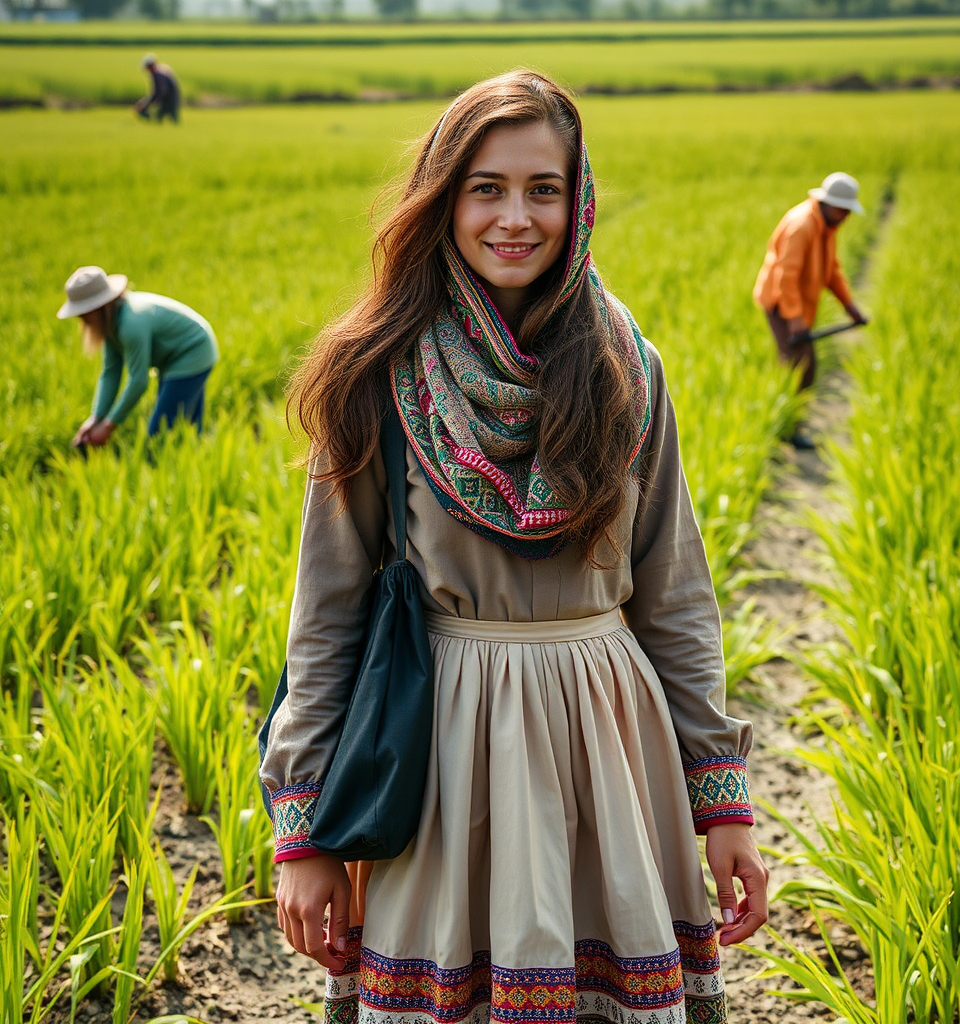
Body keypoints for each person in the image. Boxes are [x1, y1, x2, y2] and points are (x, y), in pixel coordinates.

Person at [263, 72, 768, 1024]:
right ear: (442, 197)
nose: (515, 218)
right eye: (486, 187)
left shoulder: (628, 368)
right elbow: (326, 615)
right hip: (445, 746)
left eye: (543, 188)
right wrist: (306, 837)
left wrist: (724, 806)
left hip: (611, 743)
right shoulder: (377, 373)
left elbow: (673, 594)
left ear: (576, 201)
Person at [754, 172, 868, 448]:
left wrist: (849, 306)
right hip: (781, 304)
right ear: (828, 203)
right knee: (798, 367)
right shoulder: (802, 225)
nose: (846, 216)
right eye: (843, 210)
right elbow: (786, 275)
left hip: (797, 307)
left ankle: (788, 422)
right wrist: (793, 319)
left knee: (802, 368)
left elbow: (831, 270)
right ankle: (783, 428)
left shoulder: (826, 228)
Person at [58, 266, 218, 447]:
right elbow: (111, 371)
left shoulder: (130, 324)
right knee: (182, 426)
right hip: (174, 358)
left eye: (84, 313)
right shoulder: (112, 321)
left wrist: (109, 426)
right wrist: (96, 418)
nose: (82, 319)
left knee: (159, 436)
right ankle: (196, 456)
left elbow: (139, 381)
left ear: (98, 307)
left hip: (193, 351)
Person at [135, 54, 180, 124]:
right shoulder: (162, 70)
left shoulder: (158, 75)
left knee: (161, 118)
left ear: (150, 66)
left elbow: (161, 92)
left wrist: (147, 103)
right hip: (172, 98)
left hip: (168, 99)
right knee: (167, 119)